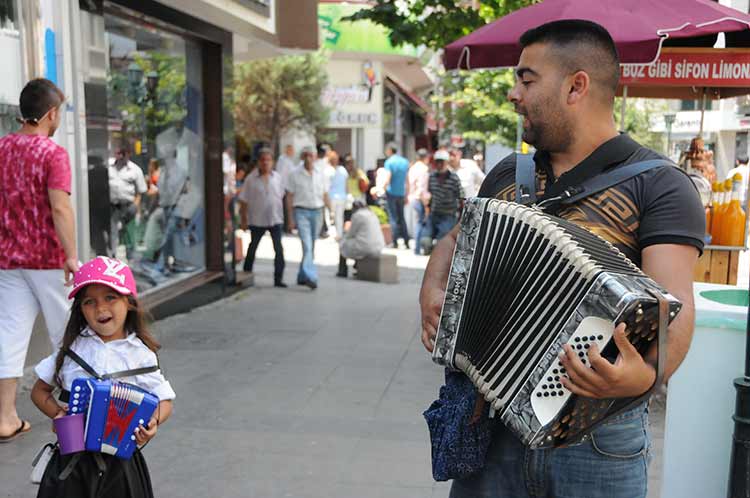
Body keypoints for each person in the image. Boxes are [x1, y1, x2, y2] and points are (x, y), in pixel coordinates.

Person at [419, 20, 704, 498]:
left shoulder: (660, 184)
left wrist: (648, 375)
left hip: (597, 443)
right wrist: (432, 286)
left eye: (526, 79)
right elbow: (455, 241)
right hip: (491, 428)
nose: (513, 93)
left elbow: (674, 307)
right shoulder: (510, 173)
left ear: (577, 86)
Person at [31, 256, 175, 498]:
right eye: (90, 302)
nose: (101, 308)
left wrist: (153, 423)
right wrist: (57, 413)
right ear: (81, 310)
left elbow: (164, 401)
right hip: (72, 457)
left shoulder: (140, 354)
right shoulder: (72, 349)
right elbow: (39, 391)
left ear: (129, 302)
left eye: (111, 297)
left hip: (121, 463)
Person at [0, 78, 78, 442]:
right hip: (47, 259)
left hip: (9, 259)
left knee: (10, 335)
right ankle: (78, 413)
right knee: (68, 332)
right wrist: (72, 255)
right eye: (58, 112)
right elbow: (60, 207)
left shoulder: (2, 148)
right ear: (50, 114)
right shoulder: (52, 153)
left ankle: (5, 417)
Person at [237, 148, 286, 287]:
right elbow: (244, 201)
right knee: (253, 248)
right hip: (257, 220)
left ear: (273, 162)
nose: (265, 163)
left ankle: (278, 278)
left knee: (278, 249)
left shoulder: (277, 178)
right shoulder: (250, 179)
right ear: (258, 162)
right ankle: (246, 274)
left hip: (275, 218)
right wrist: (244, 220)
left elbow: (281, 196)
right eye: (263, 160)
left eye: (268, 160)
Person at [286, 147, 329, 290]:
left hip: (317, 212)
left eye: (312, 155)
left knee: (311, 246)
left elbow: (324, 194)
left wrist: (330, 211)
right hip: (301, 211)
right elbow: (290, 196)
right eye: (306, 155)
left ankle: (301, 276)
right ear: (302, 157)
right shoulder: (294, 174)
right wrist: (290, 218)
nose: (309, 158)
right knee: (307, 245)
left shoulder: (321, 173)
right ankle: (311, 276)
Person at [421, 150, 464, 255]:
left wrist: (461, 215)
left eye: (442, 162)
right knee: (425, 240)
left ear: (447, 162)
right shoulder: (432, 177)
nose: (439, 164)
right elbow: (430, 194)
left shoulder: (454, 178)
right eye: (437, 162)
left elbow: (461, 195)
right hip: (434, 213)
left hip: (448, 215)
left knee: (442, 242)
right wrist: (427, 210)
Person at [108, 148, 147, 259]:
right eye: (118, 153)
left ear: (128, 154)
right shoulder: (109, 166)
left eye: (123, 153)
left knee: (129, 232)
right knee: (113, 231)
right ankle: (113, 256)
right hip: (113, 205)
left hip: (128, 205)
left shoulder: (135, 170)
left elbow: (141, 191)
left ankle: (131, 257)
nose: (120, 156)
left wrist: (135, 206)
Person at [338, 201, 386, 277]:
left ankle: (342, 271)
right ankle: (357, 267)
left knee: (343, 243)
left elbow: (350, 234)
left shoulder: (357, 215)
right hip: (379, 246)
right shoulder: (372, 214)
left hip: (366, 247)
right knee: (356, 243)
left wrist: (343, 235)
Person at [383, 143, 410, 248]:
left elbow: (388, 177)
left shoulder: (389, 162)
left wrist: (383, 188)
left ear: (390, 150)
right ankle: (406, 240)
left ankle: (394, 242)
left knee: (393, 217)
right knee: (402, 217)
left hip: (391, 192)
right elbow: (407, 180)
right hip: (401, 193)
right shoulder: (404, 162)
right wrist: (407, 193)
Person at [407, 148, 431, 255]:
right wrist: (425, 202)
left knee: (417, 222)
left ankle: (417, 248)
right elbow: (421, 187)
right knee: (420, 223)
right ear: (425, 158)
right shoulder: (424, 169)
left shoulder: (413, 168)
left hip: (412, 197)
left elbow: (408, 184)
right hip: (419, 199)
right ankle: (417, 248)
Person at [328, 150, 349, 239]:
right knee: (339, 217)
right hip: (342, 197)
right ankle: (339, 234)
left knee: (330, 217)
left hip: (331, 197)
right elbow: (347, 185)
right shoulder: (343, 170)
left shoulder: (328, 170)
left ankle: (332, 234)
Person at [276, 144, 297, 233]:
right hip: (284, 188)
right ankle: (286, 227)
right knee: (285, 208)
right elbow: (281, 175)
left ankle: (289, 226)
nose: (292, 152)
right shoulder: (282, 160)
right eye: (291, 150)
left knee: (289, 209)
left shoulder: (289, 160)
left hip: (289, 187)